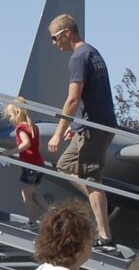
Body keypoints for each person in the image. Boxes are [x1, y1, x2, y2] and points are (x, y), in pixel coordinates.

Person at [44, 14, 117, 246]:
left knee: (92, 180)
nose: (55, 43)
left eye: (55, 38)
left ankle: (105, 235)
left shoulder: (78, 57)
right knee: (64, 167)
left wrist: (58, 131)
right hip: (90, 126)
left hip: (95, 129)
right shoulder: (93, 53)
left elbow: (73, 99)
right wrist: (75, 126)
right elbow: (93, 96)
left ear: (67, 33)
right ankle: (100, 202)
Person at [4, 100, 47, 219]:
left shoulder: (20, 128)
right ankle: (49, 211)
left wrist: (10, 152)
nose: (10, 118)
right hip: (38, 164)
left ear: (17, 113)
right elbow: (36, 146)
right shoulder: (33, 126)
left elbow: (26, 144)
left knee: (26, 196)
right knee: (34, 193)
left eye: (11, 115)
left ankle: (32, 222)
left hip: (30, 167)